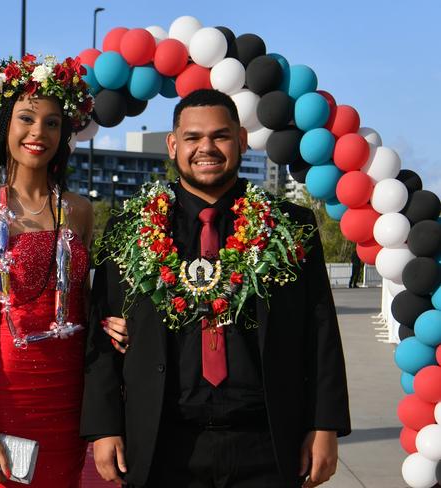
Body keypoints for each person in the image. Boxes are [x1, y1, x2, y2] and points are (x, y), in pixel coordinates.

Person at [81, 89, 351, 488]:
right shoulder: (129, 229)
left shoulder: (291, 225)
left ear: (242, 141)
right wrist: (104, 428)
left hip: (266, 440)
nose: (205, 148)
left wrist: (325, 425)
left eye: (220, 136)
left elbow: (321, 331)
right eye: (192, 138)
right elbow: (102, 332)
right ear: (173, 145)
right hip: (163, 443)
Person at [0, 54, 124, 488]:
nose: (39, 132)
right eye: (26, 118)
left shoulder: (79, 211)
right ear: (6, 125)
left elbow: (84, 304)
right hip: (8, 395)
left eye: (52, 123)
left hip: (70, 399)